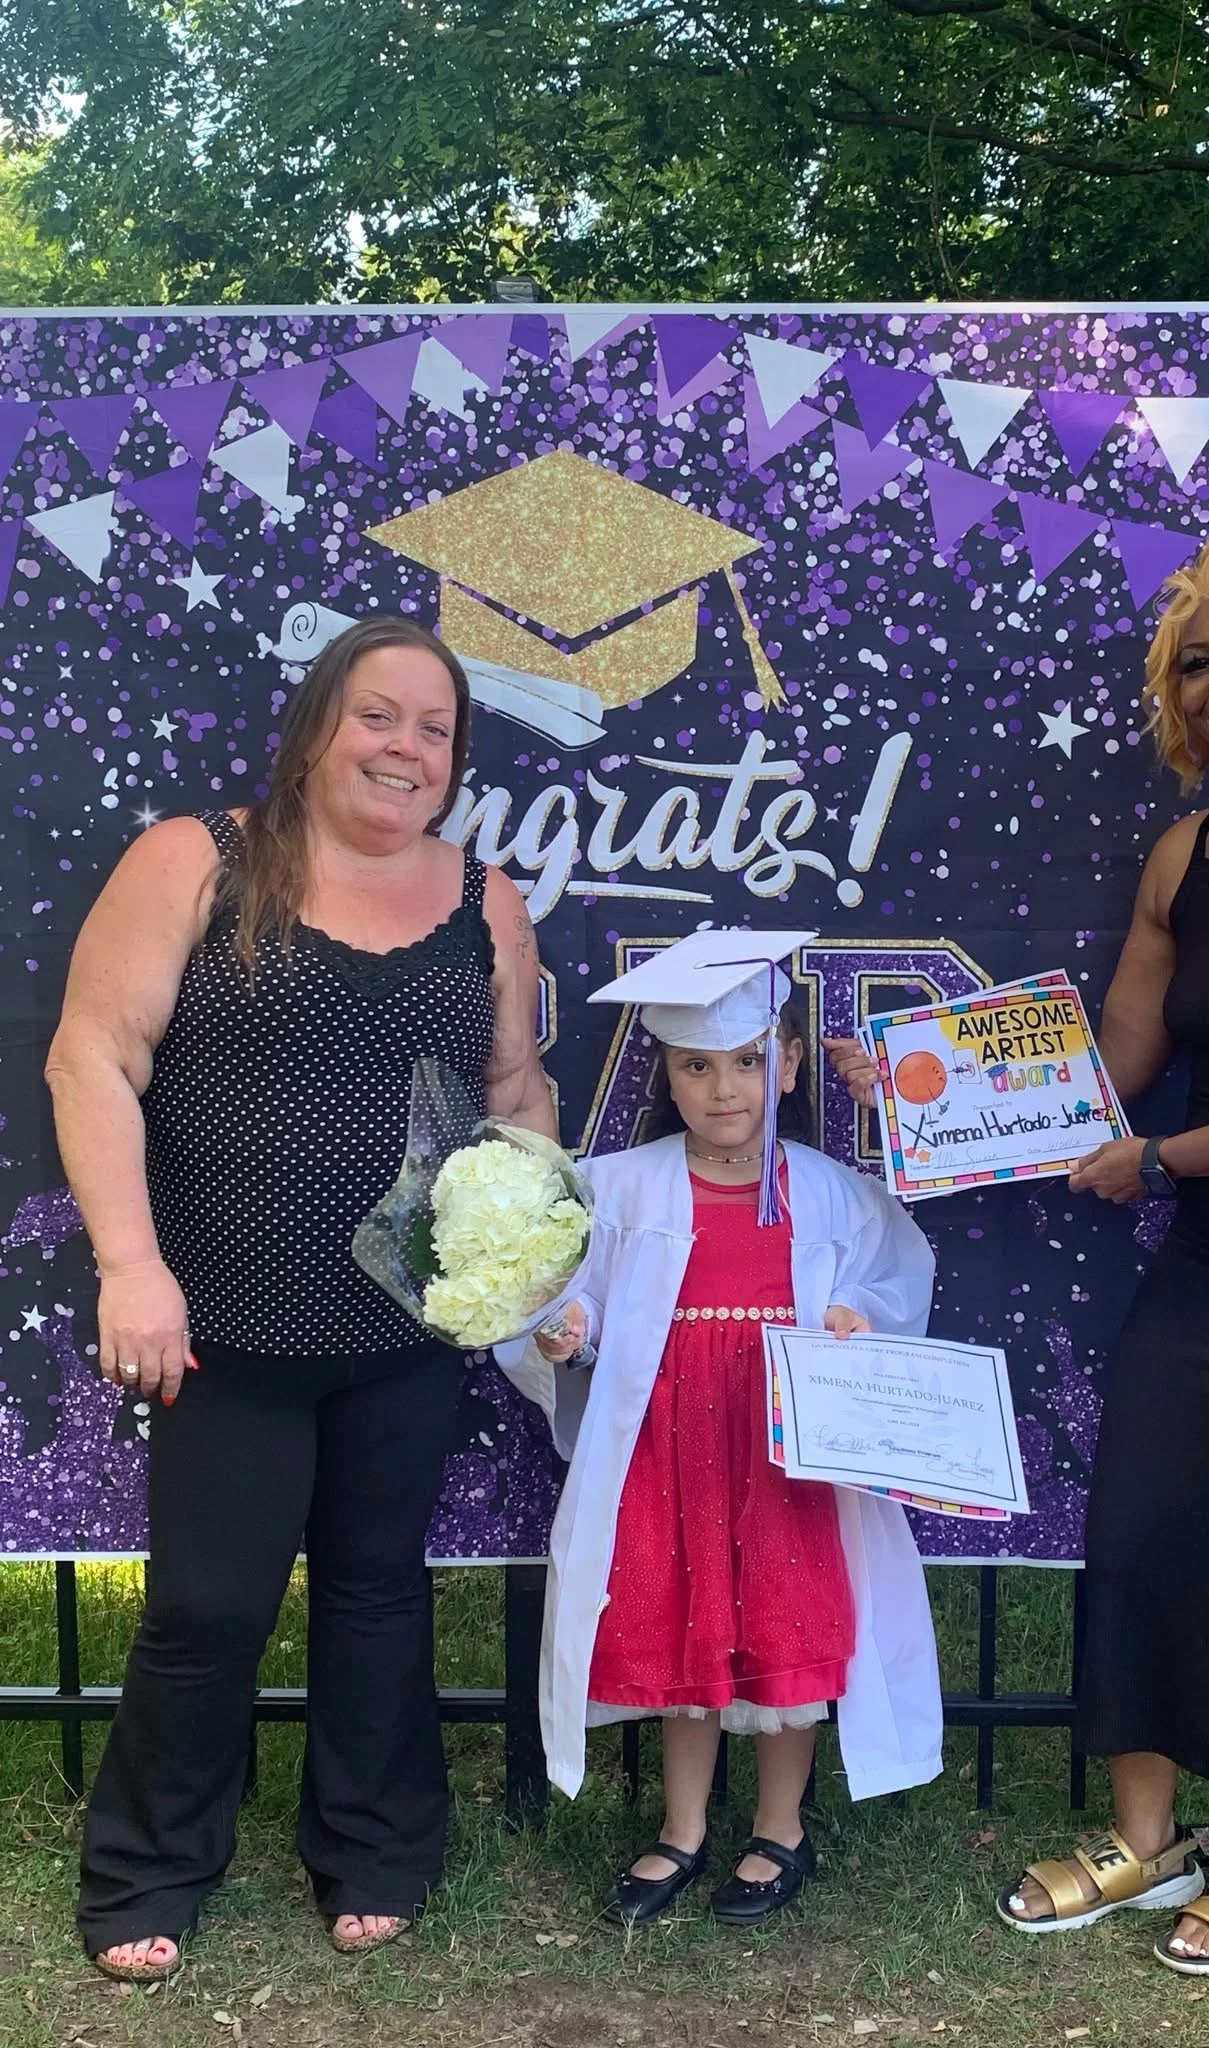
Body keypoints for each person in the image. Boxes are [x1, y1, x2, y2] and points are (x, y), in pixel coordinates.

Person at [833, 535, 1209, 1977]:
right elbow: (1109, 1068)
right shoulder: (1184, 854)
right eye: (1201, 662)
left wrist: (1158, 1161)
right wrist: (918, 1079)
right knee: (1142, 1534)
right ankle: (1143, 1840)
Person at [45, 617, 555, 1982]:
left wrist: (530, 1237)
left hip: (402, 1335)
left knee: (382, 1592)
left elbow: (515, 1097)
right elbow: (92, 1056)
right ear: (319, 727)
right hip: (223, 1327)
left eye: (435, 730)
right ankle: (151, 1865)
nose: (406, 749)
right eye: (378, 717)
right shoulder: (195, 862)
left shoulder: (486, 901)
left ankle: (377, 1847)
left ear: (457, 762)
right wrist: (128, 1264)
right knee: (210, 1604)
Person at [503, 931, 943, 1927]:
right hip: (672, 1444)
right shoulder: (618, 1187)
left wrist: (857, 1318)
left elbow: (895, 1273)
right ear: (666, 1068)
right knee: (687, 1622)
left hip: (784, 1446)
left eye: (748, 1060)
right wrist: (568, 1330)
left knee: (781, 1621)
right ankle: (685, 1823)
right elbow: (569, 1301)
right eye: (697, 1065)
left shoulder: (830, 1191)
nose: (724, 1087)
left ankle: (780, 1822)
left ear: (786, 1063)